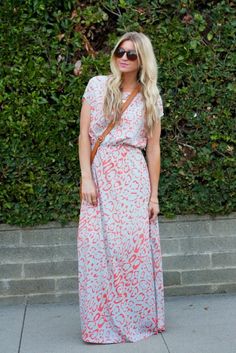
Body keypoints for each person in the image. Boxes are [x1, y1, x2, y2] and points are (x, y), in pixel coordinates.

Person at [77, 31, 165, 344]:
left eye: (131, 54)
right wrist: (86, 177)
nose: (123, 58)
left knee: (132, 251)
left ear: (142, 59)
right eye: (120, 52)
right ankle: (99, 323)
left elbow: (153, 148)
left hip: (133, 178)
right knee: (95, 249)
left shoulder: (150, 97)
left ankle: (136, 318)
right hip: (100, 177)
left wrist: (153, 195)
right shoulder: (97, 85)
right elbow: (84, 136)